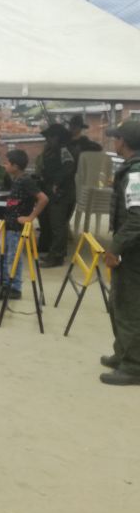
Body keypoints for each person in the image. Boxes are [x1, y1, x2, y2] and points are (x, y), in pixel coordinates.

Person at [100, 121, 140, 386]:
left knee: (130, 307)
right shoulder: (131, 169)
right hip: (131, 248)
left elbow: (138, 217)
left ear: (123, 142)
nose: (113, 142)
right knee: (118, 303)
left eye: (115, 138)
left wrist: (115, 248)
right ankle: (123, 353)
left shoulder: (136, 173)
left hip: (134, 251)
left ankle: (134, 366)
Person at [0, 150, 49, 301]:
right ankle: (5, 284)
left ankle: (15, 288)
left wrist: (31, 217)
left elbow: (43, 199)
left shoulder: (26, 181)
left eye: (7, 163)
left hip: (16, 228)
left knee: (13, 258)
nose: (4, 165)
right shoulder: (16, 180)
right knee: (3, 256)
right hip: (9, 225)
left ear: (15, 166)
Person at [36, 124, 76, 269]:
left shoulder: (64, 150)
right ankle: (54, 253)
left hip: (61, 194)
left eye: (50, 137)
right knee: (53, 225)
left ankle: (56, 257)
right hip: (54, 193)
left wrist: (57, 183)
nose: (47, 140)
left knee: (58, 226)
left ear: (57, 137)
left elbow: (69, 166)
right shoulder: (52, 150)